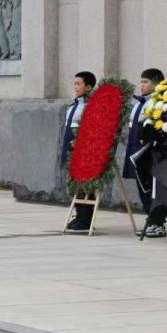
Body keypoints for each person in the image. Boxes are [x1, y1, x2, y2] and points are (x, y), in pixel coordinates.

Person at [123, 68, 164, 233]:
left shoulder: (158, 103)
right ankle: (150, 219)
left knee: (150, 186)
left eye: (146, 82)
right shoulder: (139, 103)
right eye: (141, 81)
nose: (142, 85)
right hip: (134, 149)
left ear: (156, 84)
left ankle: (157, 223)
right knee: (141, 185)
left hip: (147, 151)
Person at [62, 71, 96, 231]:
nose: (75, 87)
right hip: (70, 150)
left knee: (85, 186)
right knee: (74, 185)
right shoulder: (73, 106)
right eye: (74, 84)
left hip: (83, 153)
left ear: (88, 87)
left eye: (79, 84)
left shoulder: (90, 107)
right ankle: (79, 215)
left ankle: (85, 218)